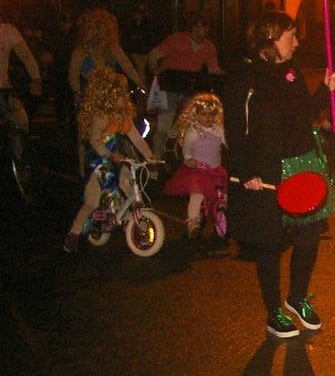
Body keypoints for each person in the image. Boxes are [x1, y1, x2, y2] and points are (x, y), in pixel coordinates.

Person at [223, 11, 335, 339]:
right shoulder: (245, 75)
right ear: (272, 37)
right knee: (270, 242)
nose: (297, 42)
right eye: (291, 36)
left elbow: (302, 112)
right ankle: (273, 310)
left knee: (309, 236)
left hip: (302, 162)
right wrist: (246, 170)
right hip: (266, 168)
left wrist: (326, 92)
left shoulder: (291, 70)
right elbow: (235, 126)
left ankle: (297, 297)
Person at [63, 67, 157, 252]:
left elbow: (136, 138)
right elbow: (94, 140)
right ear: (107, 99)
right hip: (98, 163)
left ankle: (130, 222)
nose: (123, 99)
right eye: (117, 96)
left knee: (130, 188)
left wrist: (149, 156)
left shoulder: (123, 118)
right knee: (92, 201)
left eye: (123, 94)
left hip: (116, 161)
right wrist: (108, 153)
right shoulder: (101, 118)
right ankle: (73, 233)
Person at [147, 14, 225, 159]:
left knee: (189, 124)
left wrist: (231, 74)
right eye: (203, 26)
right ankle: (155, 160)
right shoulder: (177, 40)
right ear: (195, 27)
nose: (206, 31)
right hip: (167, 85)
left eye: (208, 27)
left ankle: (186, 158)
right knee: (163, 126)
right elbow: (154, 54)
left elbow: (213, 69)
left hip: (188, 87)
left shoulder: (209, 47)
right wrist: (154, 70)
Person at [162, 92, 228, 240]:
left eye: (211, 115)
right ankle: (192, 222)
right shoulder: (193, 132)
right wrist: (188, 159)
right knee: (197, 196)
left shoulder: (218, 129)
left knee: (223, 194)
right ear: (196, 114)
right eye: (204, 115)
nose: (208, 118)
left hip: (215, 169)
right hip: (199, 171)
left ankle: (222, 215)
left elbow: (226, 142)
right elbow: (186, 149)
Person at [68, 7, 143, 102]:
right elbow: (73, 74)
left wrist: (139, 82)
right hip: (89, 92)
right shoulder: (81, 50)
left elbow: (127, 66)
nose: (98, 34)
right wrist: (77, 91)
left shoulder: (112, 47)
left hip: (109, 91)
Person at [0, 6, 43, 133]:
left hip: (3, 89)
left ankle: (18, 151)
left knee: (21, 123)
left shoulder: (8, 31)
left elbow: (26, 57)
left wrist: (36, 78)